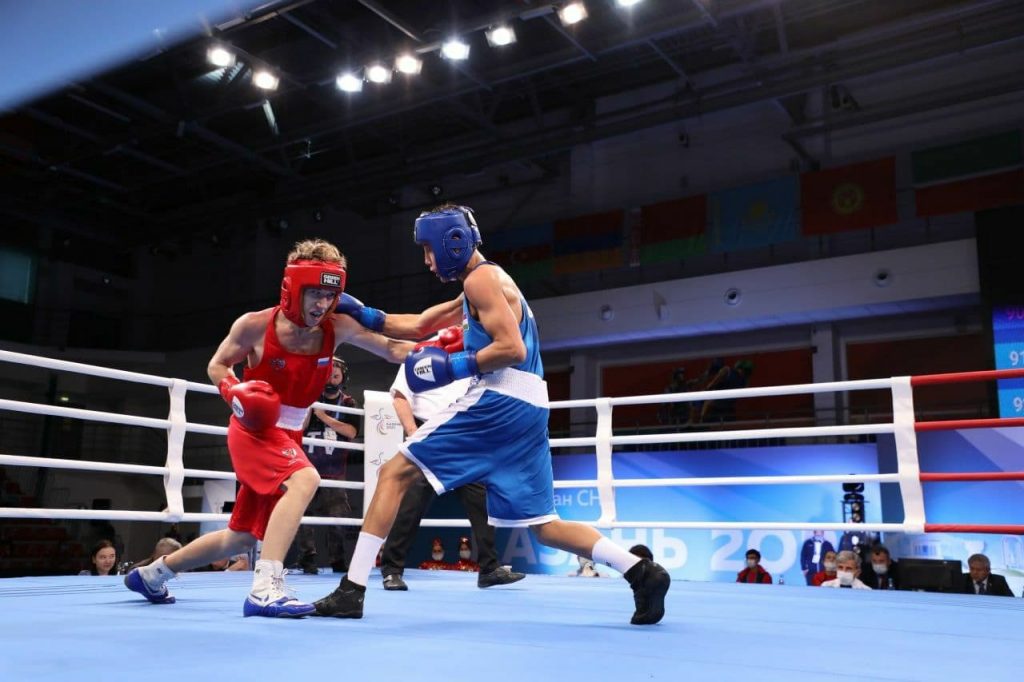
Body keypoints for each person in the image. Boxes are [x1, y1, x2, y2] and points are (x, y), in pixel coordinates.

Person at [313, 203, 670, 625]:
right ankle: (640, 571)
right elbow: (418, 325)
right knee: (545, 525)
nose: (427, 261)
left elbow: (511, 349)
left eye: (428, 249)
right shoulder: (484, 283)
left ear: (453, 242)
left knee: (394, 472)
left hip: (500, 399)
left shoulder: (480, 280)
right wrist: (360, 311)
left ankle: (352, 590)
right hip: (531, 407)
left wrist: (454, 367)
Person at [125, 238, 412, 618]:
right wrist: (234, 393)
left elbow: (393, 349)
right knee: (306, 479)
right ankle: (265, 588)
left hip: (289, 434)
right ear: (293, 288)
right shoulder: (255, 325)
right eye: (315, 293)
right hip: (254, 429)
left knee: (240, 537)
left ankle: (153, 574)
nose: (323, 304)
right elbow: (217, 365)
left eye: (330, 295)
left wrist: (455, 350)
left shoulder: (336, 327)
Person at [379, 327, 524, 591]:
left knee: (481, 502)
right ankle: (392, 570)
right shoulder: (419, 354)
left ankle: (489, 568)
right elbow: (400, 397)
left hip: (463, 436)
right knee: (411, 506)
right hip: (428, 433)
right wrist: (414, 433)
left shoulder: (472, 358)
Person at [291, 356, 360, 574]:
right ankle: (307, 559)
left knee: (339, 517)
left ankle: (337, 560)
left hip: (334, 470)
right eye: (328, 376)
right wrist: (310, 406)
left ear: (342, 378)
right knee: (302, 514)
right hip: (307, 468)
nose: (331, 380)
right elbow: (299, 428)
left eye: (335, 376)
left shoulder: (348, 403)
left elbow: (351, 432)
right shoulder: (310, 398)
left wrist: (324, 416)